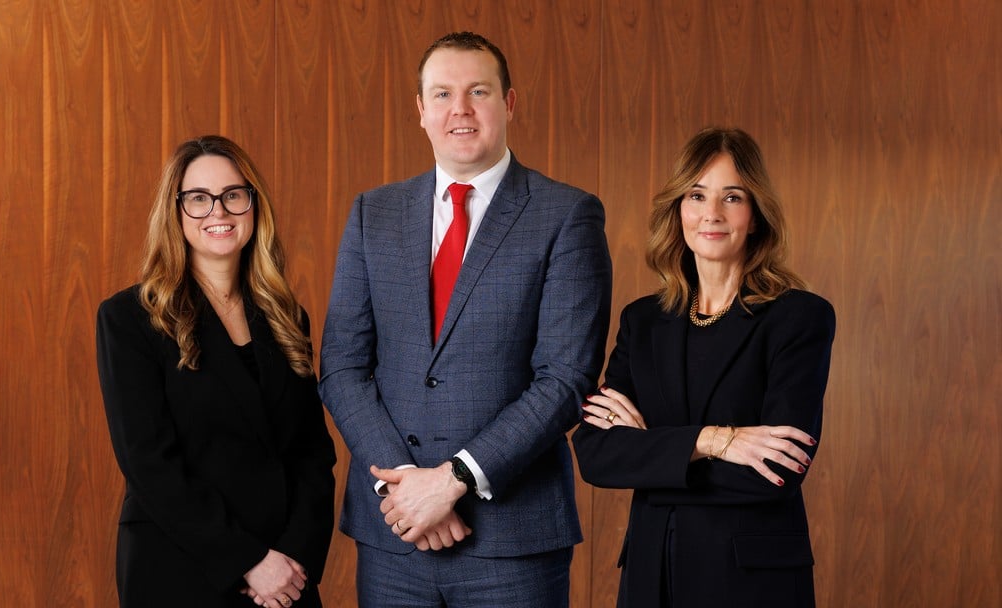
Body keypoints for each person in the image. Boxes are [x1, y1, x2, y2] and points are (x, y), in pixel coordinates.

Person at [319, 31, 612, 607]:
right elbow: (341, 367)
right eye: (443, 94)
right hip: (394, 534)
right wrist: (406, 489)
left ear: (509, 102)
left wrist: (452, 480)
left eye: (479, 91)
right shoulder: (373, 212)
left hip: (513, 542)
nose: (461, 109)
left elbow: (565, 379)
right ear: (420, 109)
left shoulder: (566, 214)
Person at [572, 127, 836, 607]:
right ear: (679, 210)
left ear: (755, 216)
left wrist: (651, 452)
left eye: (732, 197)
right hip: (652, 577)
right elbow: (595, 453)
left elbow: (776, 470)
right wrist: (713, 441)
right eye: (697, 195)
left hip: (751, 584)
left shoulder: (799, 318)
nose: (711, 213)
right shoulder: (643, 321)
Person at [96, 135, 336, 608]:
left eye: (233, 195)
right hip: (180, 570)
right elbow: (149, 464)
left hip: (284, 578)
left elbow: (312, 454)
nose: (218, 211)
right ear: (176, 211)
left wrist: (293, 558)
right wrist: (248, 560)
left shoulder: (287, 318)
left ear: (253, 204)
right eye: (198, 199)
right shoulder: (129, 319)